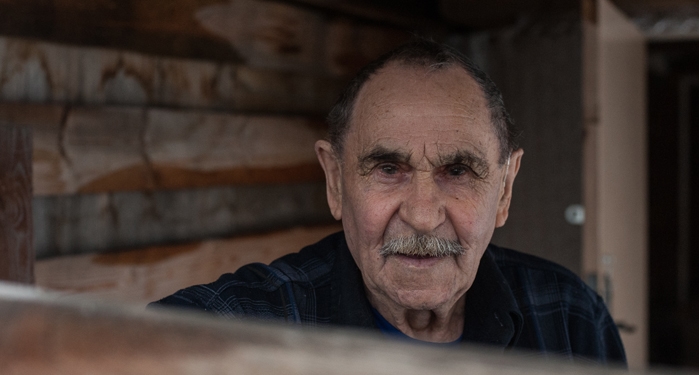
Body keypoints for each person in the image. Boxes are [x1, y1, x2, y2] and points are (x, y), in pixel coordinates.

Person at [150, 39, 626, 365]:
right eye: (388, 170)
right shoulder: (253, 324)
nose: (422, 216)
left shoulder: (570, 318)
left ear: (504, 190)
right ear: (335, 181)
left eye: (457, 172)